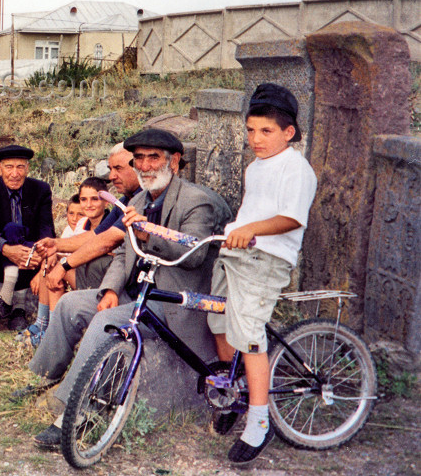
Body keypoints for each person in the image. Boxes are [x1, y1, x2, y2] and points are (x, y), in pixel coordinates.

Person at [21, 129, 233, 449]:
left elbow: (195, 255)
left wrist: (149, 235)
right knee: (70, 305)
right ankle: (45, 377)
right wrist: (108, 289)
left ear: (174, 162)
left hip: (173, 302)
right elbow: (122, 252)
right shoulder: (138, 199)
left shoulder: (196, 201)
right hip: (137, 292)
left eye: (154, 158)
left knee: (106, 325)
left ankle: (77, 413)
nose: (146, 166)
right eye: (140, 159)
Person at [207, 83, 317, 464]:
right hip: (236, 254)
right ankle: (235, 395)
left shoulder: (296, 168)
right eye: (251, 130)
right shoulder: (256, 167)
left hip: (267, 259)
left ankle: (259, 421)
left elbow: (291, 218)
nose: (256, 138)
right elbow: (251, 212)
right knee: (218, 321)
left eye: (266, 131)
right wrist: (234, 231)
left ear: (289, 132)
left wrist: (251, 230)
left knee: (250, 335)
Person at [37, 142, 142, 295]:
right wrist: (56, 244)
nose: (112, 176)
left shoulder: (142, 198)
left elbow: (108, 241)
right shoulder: (126, 199)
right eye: (110, 169)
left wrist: (64, 265)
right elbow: (95, 235)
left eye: (118, 169)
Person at [0, 144, 55, 323]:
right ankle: (19, 307)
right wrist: (7, 249)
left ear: (27, 168)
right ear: (0, 168)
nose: (15, 173)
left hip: (30, 256)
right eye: (9, 167)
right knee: (11, 229)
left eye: (20, 167)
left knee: (24, 238)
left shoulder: (41, 190)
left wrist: (37, 253)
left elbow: (46, 228)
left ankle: (9, 303)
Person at [19, 177, 109, 347]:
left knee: (58, 268)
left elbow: (93, 248)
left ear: (105, 200)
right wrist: (53, 256)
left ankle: (53, 334)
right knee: (51, 264)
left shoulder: (110, 222)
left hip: (102, 280)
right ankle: (42, 324)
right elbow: (71, 248)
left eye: (94, 199)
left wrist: (60, 258)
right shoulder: (83, 222)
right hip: (84, 273)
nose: (88, 204)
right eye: (84, 199)